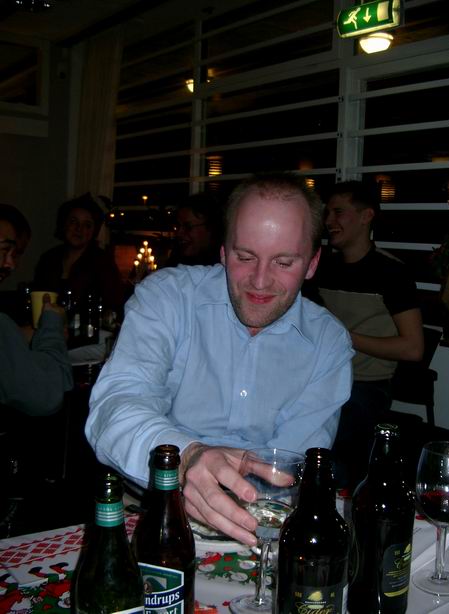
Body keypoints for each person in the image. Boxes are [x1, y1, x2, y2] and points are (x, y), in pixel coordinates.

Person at [86, 172, 353, 546]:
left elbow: (291, 468)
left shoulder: (328, 343)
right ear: (224, 252)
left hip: (264, 520)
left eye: (283, 262)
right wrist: (187, 458)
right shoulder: (168, 297)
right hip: (152, 509)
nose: (259, 281)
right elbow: (114, 407)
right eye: (245, 257)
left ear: (311, 263)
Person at [304, 180, 424, 490]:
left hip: (366, 385)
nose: (329, 221)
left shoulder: (392, 273)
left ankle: (333, 500)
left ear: (366, 216)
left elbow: (413, 348)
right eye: (327, 213)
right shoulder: (323, 268)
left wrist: (344, 336)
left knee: (332, 438)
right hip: (319, 377)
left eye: (338, 212)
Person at [0, 204, 73, 416]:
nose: (11, 264)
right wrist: (51, 327)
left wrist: (17, 335)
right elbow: (49, 393)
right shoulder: (50, 258)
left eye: (16, 253)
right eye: (4, 249)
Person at [34, 193, 125, 318]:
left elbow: (114, 308)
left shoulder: (103, 263)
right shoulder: (48, 259)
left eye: (87, 225)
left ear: (94, 230)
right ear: (64, 224)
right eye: (73, 222)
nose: (79, 229)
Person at [166, 192, 224, 266]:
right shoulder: (177, 257)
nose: (179, 233)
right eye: (178, 226)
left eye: (188, 227)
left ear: (211, 228)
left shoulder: (224, 266)